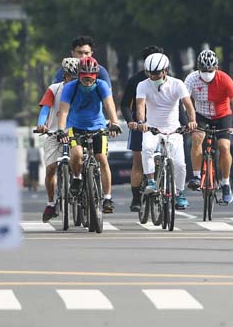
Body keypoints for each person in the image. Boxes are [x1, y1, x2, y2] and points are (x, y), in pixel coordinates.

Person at [56, 56, 121, 213]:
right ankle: (77, 178)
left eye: (91, 78)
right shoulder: (70, 87)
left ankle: (107, 198)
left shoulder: (102, 85)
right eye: (84, 78)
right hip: (75, 126)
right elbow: (63, 111)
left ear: (96, 76)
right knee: (77, 154)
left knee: (102, 159)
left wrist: (115, 122)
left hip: (97, 126)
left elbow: (109, 104)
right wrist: (60, 130)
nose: (87, 81)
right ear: (79, 75)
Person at [185, 49, 233, 205]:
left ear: (216, 68)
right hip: (201, 115)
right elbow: (183, 100)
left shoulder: (225, 79)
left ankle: (225, 184)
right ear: (197, 68)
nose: (207, 74)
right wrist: (187, 119)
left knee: (224, 146)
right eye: (203, 71)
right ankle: (197, 175)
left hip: (222, 115)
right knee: (197, 137)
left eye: (210, 71)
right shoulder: (191, 79)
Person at [135, 52, 197, 210]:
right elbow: (140, 106)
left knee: (180, 164)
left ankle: (179, 193)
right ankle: (150, 181)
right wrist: (141, 122)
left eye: (156, 73)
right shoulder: (142, 85)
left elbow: (188, 105)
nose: (153, 76)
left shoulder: (177, 84)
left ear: (165, 71)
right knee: (147, 149)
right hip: (152, 128)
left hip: (173, 129)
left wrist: (191, 121)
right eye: (150, 73)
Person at [121, 45, 164, 211]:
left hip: (163, 124)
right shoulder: (135, 80)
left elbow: (178, 104)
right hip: (141, 125)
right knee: (138, 160)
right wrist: (131, 121)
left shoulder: (168, 79)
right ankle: (136, 198)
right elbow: (125, 104)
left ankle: (168, 187)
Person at [37, 57, 78, 222]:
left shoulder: (84, 89)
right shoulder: (54, 89)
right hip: (55, 133)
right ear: (64, 76)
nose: (73, 81)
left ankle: (85, 187)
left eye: (76, 78)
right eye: (70, 77)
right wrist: (41, 124)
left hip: (76, 133)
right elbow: (45, 110)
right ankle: (51, 202)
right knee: (51, 169)